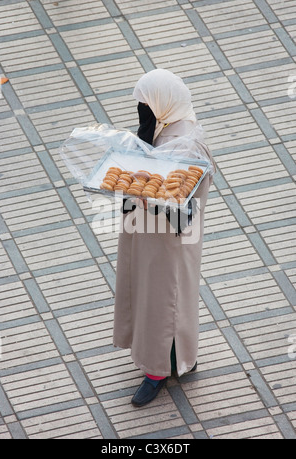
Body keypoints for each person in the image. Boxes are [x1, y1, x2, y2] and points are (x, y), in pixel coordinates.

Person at [113, 69, 215, 407]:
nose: (142, 110)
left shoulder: (185, 143)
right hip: (152, 237)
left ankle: (161, 368)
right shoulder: (169, 125)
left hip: (168, 242)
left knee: (164, 300)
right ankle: (173, 357)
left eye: (145, 104)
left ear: (161, 102)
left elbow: (182, 208)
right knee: (155, 296)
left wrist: (144, 195)